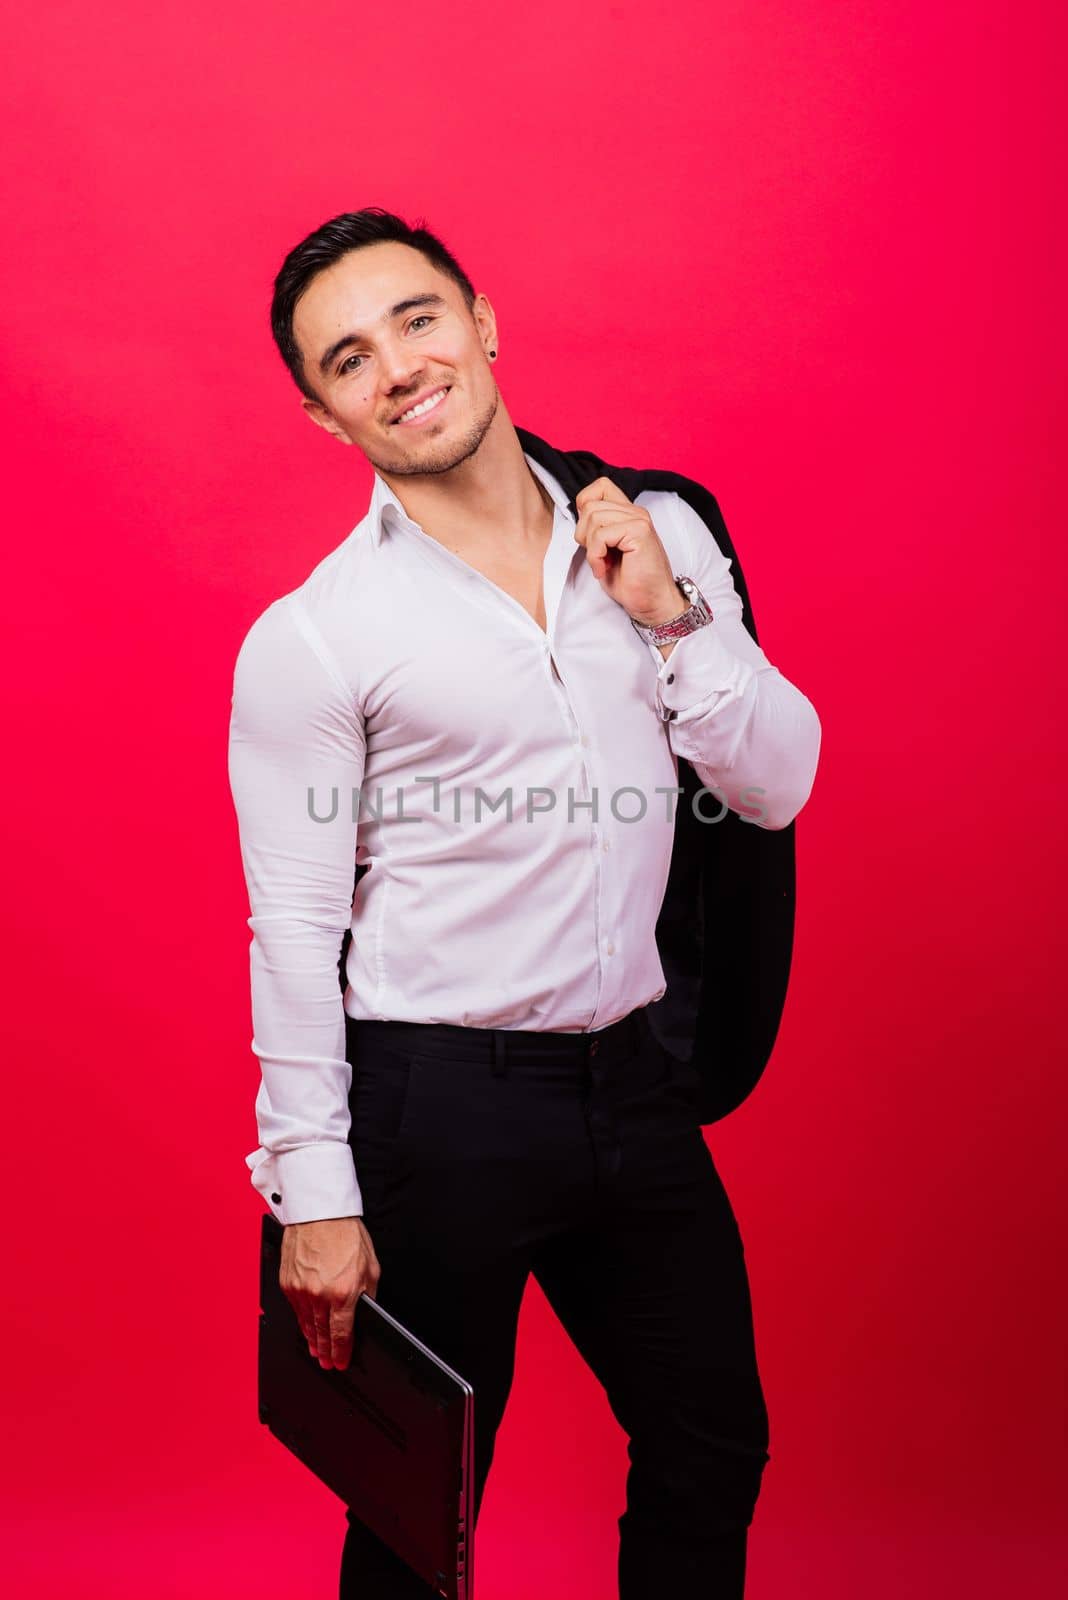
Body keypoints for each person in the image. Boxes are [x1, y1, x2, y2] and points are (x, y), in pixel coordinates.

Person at [227, 206, 821, 1598]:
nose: (398, 366)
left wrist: (670, 613)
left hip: (636, 1085)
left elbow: (779, 782)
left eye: (417, 318)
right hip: (439, 1108)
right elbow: (295, 930)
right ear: (325, 417)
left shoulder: (659, 527)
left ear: (481, 323)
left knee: (711, 1445)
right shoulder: (315, 638)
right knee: (415, 1507)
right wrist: (313, 1192)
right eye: (348, 359)